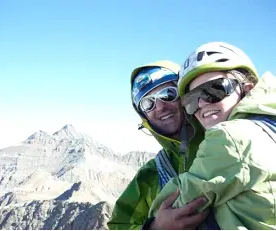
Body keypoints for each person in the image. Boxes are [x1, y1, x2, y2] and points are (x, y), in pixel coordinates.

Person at [148, 42, 276, 229]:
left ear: (246, 89)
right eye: (190, 100)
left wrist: (155, 225)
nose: (200, 104)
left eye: (214, 90)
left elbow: (181, 200)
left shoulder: (232, 136)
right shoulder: (266, 126)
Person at [107, 60, 210, 230]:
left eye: (168, 94)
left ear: (185, 94)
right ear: (144, 116)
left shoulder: (230, 141)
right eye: (148, 103)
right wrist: (155, 227)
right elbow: (120, 225)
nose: (160, 107)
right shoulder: (150, 176)